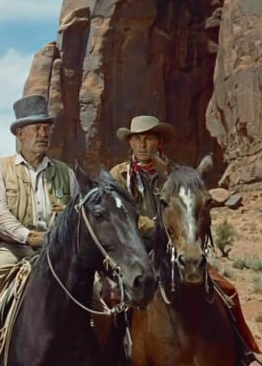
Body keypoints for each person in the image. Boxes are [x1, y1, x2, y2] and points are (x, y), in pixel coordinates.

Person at [111, 115, 260, 364]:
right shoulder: (120, 174)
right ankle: (114, 354)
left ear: (159, 141)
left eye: (149, 138)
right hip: (136, 248)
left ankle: (243, 349)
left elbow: (191, 210)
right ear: (130, 143)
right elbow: (122, 214)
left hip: (176, 245)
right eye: (137, 139)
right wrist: (157, 226)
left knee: (228, 290)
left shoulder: (177, 175)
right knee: (115, 298)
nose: (143, 144)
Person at [0, 94, 78, 366]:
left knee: (94, 298)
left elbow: (75, 214)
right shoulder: (1, 169)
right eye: (36, 129)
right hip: (12, 249)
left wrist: (59, 242)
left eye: (46, 128)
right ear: (20, 133)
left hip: (56, 254)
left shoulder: (65, 173)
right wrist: (30, 236)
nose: (43, 134)